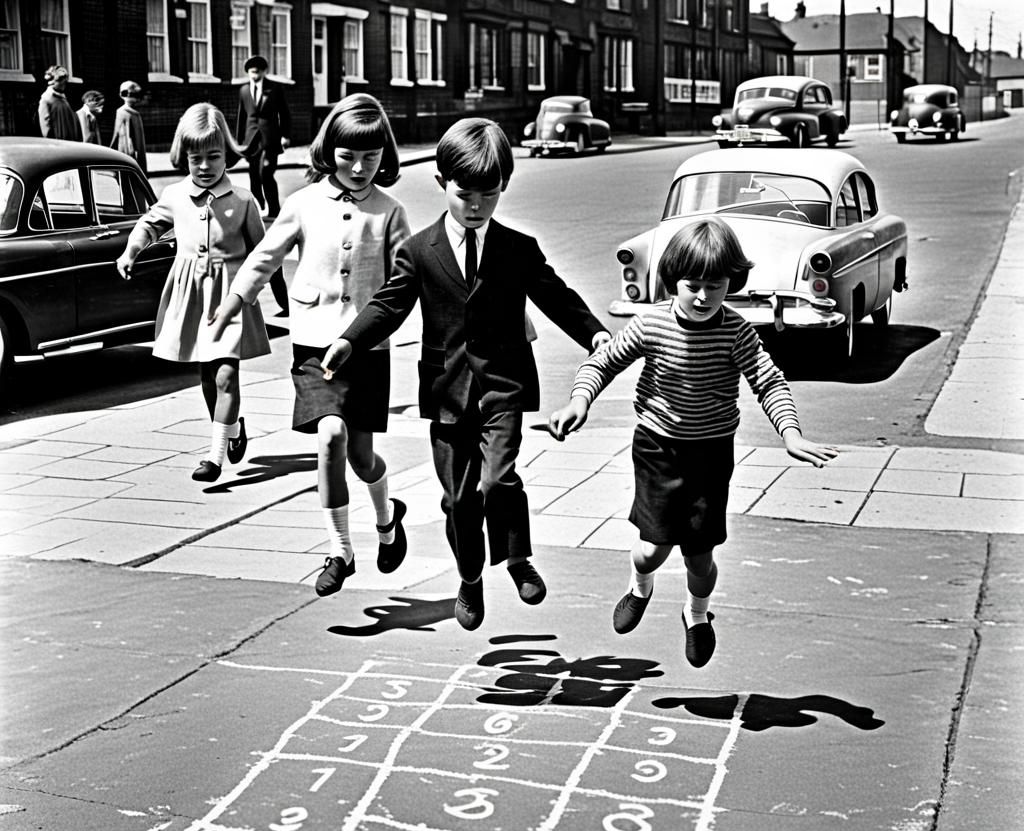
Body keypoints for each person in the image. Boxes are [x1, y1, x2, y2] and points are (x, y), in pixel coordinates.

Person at [321, 117, 611, 630]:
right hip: (446, 390)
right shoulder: (418, 250)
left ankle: (518, 557)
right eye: (464, 193)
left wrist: (595, 334)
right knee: (458, 499)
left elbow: (555, 295)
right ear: (441, 184)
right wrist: (348, 340)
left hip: (504, 386)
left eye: (489, 194)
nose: (475, 206)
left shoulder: (517, 248)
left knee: (497, 481)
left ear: (502, 188)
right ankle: (470, 578)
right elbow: (389, 306)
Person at [548, 217, 838, 667]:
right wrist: (578, 401)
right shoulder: (652, 325)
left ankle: (697, 615)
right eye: (693, 285)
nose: (704, 297)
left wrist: (791, 433)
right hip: (658, 448)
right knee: (652, 550)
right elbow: (603, 362)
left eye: (716, 286)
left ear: (732, 283)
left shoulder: (736, 331)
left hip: (710, 452)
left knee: (699, 558)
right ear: (671, 282)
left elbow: (767, 378)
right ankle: (639, 587)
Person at [210, 94, 411, 596]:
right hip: (314, 348)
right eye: (348, 156)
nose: (360, 167)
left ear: (385, 154)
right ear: (328, 151)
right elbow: (263, 258)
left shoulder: (390, 211)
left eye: (372, 156)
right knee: (330, 438)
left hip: (368, 350)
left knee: (363, 460)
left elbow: (411, 279)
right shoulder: (302, 204)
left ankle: (388, 519)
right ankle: (340, 550)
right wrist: (236, 300)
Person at [116, 103, 270, 483]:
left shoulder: (243, 199)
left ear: (226, 156)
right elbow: (149, 224)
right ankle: (232, 430)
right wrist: (131, 250)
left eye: (213, 157)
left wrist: (249, 288)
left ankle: (214, 458)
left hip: (229, 298)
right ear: (183, 156)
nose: (204, 166)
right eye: (195, 158)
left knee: (225, 376)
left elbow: (264, 253)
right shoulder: (175, 195)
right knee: (206, 377)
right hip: (191, 298)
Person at [236, 54, 291, 218]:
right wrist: (239, 142)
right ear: (248, 73)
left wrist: (285, 135)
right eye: (252, 72)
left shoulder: (275, 88)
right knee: (253, 175)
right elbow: (242, 117)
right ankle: (258, 204)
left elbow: (285, 113)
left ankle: (274, 209)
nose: (255, 75)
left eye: (258, 72)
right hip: (250, 140)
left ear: (264, 71)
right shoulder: (244, 90)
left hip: (270, 139)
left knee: (266, 173)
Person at [111, 81, 147, 173]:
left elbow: (116, 134)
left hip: (126, 149)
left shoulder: (127, 113)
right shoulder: (126, 113)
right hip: (126, 149)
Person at [38, 65, 81, 141]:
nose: (63, 85)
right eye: (60, 81)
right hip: (58, 144)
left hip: (70, 143)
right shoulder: (47, 99)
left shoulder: (64, 99)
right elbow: (46, 127)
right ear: (52, 81)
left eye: (64, 82)